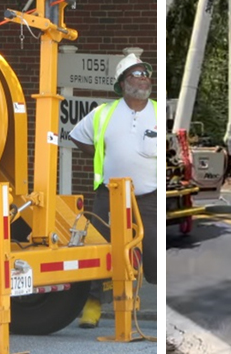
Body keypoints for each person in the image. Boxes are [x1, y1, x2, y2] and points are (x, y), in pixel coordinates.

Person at [68, 52, 158, 328]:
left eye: (146, 74)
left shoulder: (159, 110)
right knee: (101, 249)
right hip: (109, 195)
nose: (144, 79)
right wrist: (104, 155)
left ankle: (163, 302)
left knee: (155, 250)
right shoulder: (103, 114)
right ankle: (93, 306)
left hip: (149, 197)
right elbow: (76, 136)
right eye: (137, 74)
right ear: (123, 82)